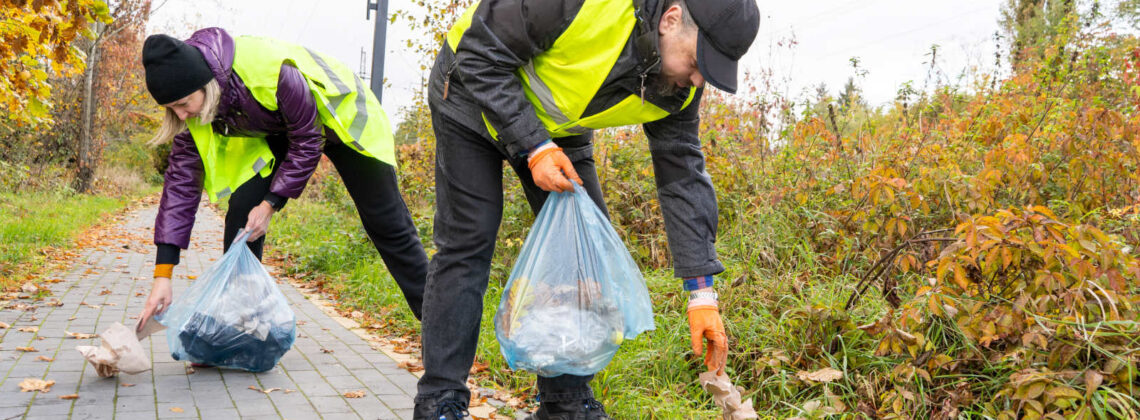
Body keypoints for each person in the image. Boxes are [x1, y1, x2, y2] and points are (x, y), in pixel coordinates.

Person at [414, 0, 759, 418]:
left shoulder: (681, 87)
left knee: (584, 254)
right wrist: (534, 146)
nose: (700, 79)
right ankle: (440, 400)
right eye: (698, 61)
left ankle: (565, 404)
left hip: (558, 129)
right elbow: (480, 56)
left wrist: (701, 293)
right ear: (671, 20)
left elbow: (682, 175)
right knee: (468, 241)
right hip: (471, 93)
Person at [135, 28, 428, 344]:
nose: (181, 114)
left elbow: (308, 140)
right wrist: (162, 275)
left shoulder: (271, 72)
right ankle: (239, 332)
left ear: (205, 84)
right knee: (242, 214)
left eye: (183, 103)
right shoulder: (193, 106)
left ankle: (440, 324)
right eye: (171, 108)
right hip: (283, 129)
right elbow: (180, 187)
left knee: (387, 224)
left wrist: (271, 203)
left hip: (345, 118)